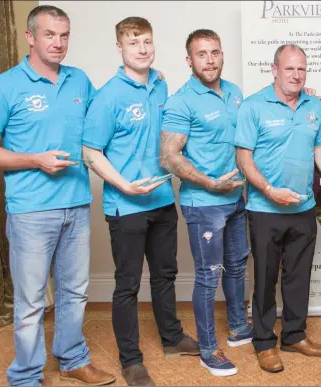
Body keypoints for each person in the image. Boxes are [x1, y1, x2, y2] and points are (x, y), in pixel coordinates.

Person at [0, 5, 115, 386]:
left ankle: (73, 359)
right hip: (31, 211)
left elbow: (107, 119)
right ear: (30, 37)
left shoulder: (79, 80)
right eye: (49, 34)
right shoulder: (5, 85)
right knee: (30, 303)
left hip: (77, 206)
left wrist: (148, 78)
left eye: (64, 35)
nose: (58, 43)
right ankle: (26, 376)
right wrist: (34, 160)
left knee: (74, 292)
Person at [82, 17, 199, 387]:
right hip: (126, 205)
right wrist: (125, 186)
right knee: (127, 284)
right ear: (120, 49)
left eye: (147, 42)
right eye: (134, 44)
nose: (143, 49)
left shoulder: (161, 85)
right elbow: (90, 152)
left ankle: (172, 337)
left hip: (163, 199)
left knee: (165, 275)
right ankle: (131, 360)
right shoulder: (107, 96)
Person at [235, 44, 321, 373]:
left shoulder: (314, 106)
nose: (296, 75)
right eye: (290, 68)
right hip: (265, 208)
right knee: (264, 279)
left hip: (304, 209)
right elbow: (243, 158)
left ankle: (294, 335)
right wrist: (268, 190)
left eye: (302, 69)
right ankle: (264, 342)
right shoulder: (253, 106)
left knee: (298, 277)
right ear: (274, 69)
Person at [160, 29, 253, 377]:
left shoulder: (234, 93)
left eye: (214, 52)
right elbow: (169, 157)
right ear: (189, 60)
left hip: (236, 198)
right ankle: (207, 349)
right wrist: (211, 183)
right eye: (202, 54)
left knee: (237, 265)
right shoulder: (181, 100)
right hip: (204, 202)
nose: (210, 60)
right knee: (208, 276)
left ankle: (238, 329)